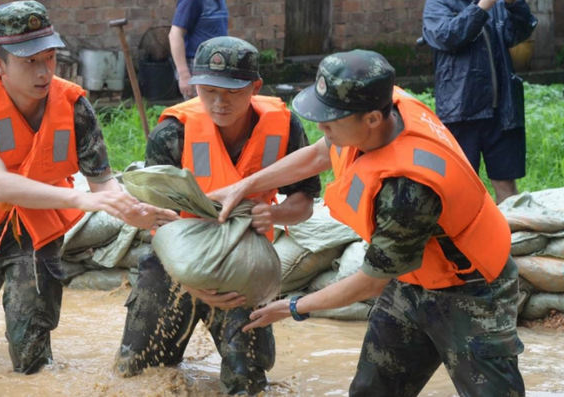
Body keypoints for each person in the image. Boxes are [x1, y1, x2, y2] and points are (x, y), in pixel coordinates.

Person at [209, 50, 525, 397]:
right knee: (371, 391)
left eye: (330, 119)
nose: (321, 126)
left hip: (471, 290)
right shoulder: (382, 108)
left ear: (373, 118)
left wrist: (293, 306)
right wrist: (243, 186)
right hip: (411, 279)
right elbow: (319, 153)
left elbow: (368, 285)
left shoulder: (408, 192)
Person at [0, 1, 178, 375]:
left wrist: (130, 209)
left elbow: (104, 183)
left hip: (36, 231)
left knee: (32, 362)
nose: (44, 72)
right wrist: (85, 200)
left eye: (50, 58)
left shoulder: (75, 108)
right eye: (29, 61)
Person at [116, 36, 321, 395]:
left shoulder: (285, 127)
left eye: (232, 92)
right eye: (208, 90)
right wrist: (189, 279)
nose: (219, 102)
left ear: (255, 87)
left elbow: (304, 203)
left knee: (247, 384)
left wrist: (274, 214)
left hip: (245, 268)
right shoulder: (172, 132)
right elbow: (156, 217)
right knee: (138, 376)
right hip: (174, 262)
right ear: (194, 86)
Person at [422, 0, 537, 204]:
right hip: (461, 113)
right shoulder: (438, 3)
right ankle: (470, 235)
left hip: (502, 110)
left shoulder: (498, 4)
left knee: (507, 186)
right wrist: (482, 8)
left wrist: (515, 5)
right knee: (461, 189)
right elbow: (446, 37)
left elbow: (519, 32)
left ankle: (511, 235)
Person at [169, 0, 228, 100]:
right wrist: (183, 74)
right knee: (198, 111)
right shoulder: (191, 2)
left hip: (218, 66)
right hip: (197, 68)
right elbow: (175, 35)